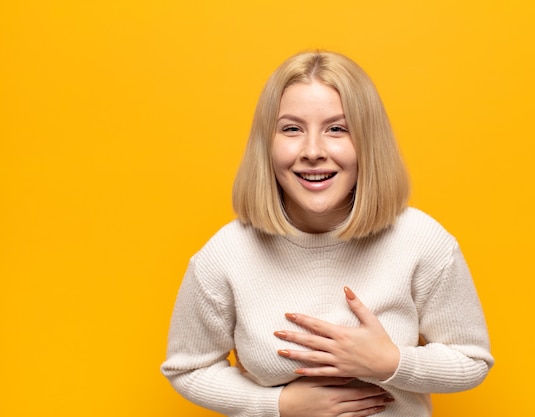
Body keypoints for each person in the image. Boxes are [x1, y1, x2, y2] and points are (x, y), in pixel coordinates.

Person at [161, 50, 494, 417]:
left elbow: (471, 360)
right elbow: (188, 368)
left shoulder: (421, 240)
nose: (314, 151)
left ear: (368, 141)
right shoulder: (225, 255)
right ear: (266, 144)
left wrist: (390, 363)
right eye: (291, 129)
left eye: (337, 129)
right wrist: (276, 404)